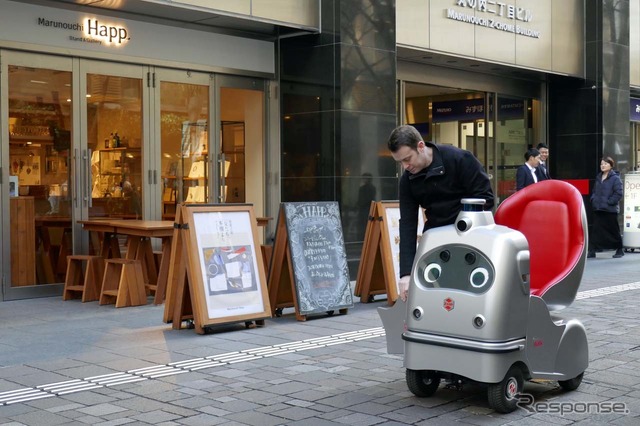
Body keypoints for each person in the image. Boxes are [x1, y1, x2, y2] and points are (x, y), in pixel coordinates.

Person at [387, 125, 494, 301]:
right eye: (400, 162)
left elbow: (485, 198)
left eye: (407, 159)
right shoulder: (407, 181)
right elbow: (407, 223)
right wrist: (406, 273)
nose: (405, 166)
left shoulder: (459, 159)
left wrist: (461, 227)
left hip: (471, 236)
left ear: (420, 146)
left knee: (470, 296)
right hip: (436, 240)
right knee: (436, 296)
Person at [588, 156, 624, 258]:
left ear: (611, 166)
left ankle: (619, 249)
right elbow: (594, 191)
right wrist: (593, 199)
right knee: (596, 231)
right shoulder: (599, 177)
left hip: (610, 210)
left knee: (613, 230)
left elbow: (618, 193)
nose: (603, 166)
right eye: (601, 164)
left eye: (605, 164)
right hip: (598, 208)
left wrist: (609, 202)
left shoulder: (615, 178)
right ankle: (592, 250)